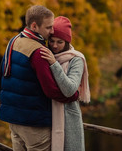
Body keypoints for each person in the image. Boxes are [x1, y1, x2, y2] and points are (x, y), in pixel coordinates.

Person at [0, 6, 79, 151]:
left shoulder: (14, 41)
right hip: (34, 124)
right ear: (35, 26)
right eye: (48, 27)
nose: (52, 31)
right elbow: (51, 90)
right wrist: (73, 95)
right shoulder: (38, 52)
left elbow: (2, 77)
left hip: (13, 119)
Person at [40, 16, 90, 151]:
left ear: (67, 42)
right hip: (46, 118)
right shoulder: (44, 55)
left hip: (69, 121)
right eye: (52, 41)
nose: (55, 45)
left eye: (60, 42)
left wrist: (54, 64)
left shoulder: (76, 60)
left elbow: (70, 89)